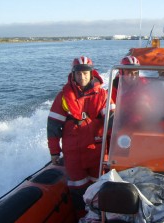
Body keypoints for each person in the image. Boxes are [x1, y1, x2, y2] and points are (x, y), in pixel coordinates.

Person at [47, 56, 115, 217]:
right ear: (73, 74)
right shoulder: (64, 96)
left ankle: (98, 216)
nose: (82, 77)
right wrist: (54, 152)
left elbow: (113, 122)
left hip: (97, 151)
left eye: (85, 73)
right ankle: (81, 217)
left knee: (99, 186)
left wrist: (117, 147)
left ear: (92, 74)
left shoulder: (103, 95)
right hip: (73, 153)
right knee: (77, 188)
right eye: (78, 73)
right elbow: (53, 126)